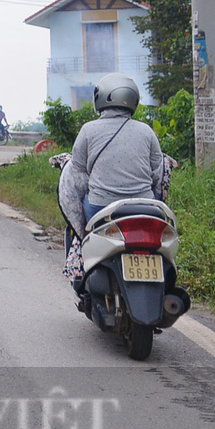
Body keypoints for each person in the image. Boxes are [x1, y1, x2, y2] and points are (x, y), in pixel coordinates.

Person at [57, 74, 169, 284]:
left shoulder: (88, 130)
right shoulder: (146, 131)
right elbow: (158, 173)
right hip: (145, 206)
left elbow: (78, 177)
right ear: (133, 100)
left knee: (78, 226)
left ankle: (80, 268)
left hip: (101, 207)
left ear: (101, 99)